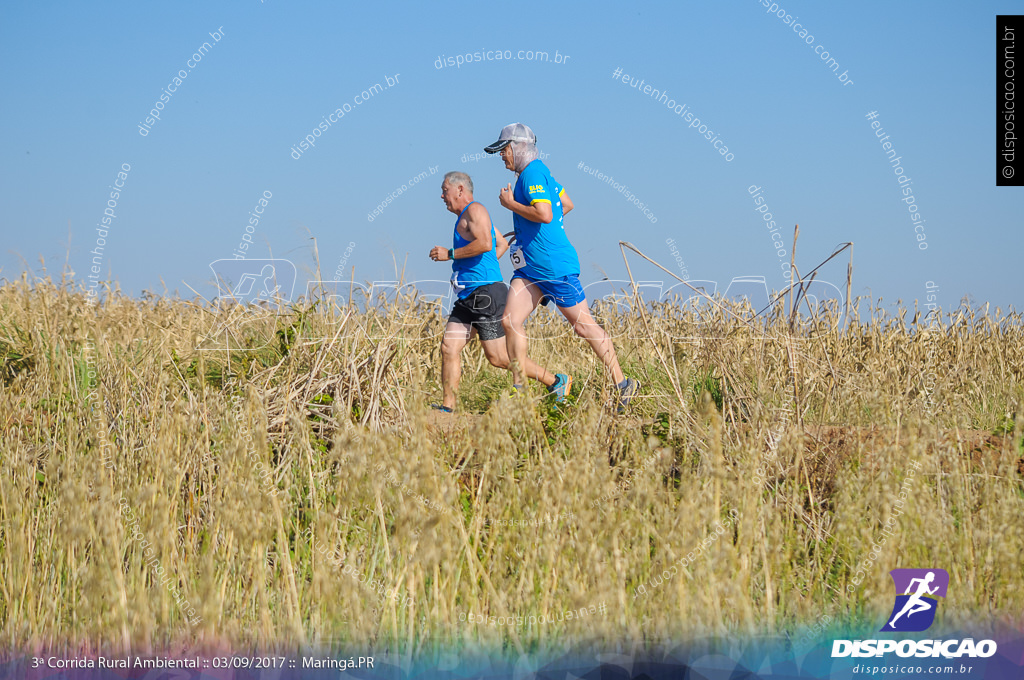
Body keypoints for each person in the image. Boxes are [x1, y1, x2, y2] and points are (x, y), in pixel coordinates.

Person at [484, 123, 639, 412]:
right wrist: (528, 231)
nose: (501, 156)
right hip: (530, 269)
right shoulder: (539, 173)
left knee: (583, 326)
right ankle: (520, 390)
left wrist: (510, 205)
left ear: (518, 148)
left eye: (503, 150)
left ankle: (622, 383)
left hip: (555, 268)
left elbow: (544, 212)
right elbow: (565, 204)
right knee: (509, 321)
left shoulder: (531, 173)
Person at [428, 171, 570, 412]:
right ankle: (447, 408)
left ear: (460, 189)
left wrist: (449, 254)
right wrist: (484, 267)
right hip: (467, 296)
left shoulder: (476, 211)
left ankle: (555, 381)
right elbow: (500, 244)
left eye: (445, 190)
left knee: (498, 358)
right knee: (448, 347)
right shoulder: (467, 215)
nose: (442, 195)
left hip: (486, 295)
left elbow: (484, 243)